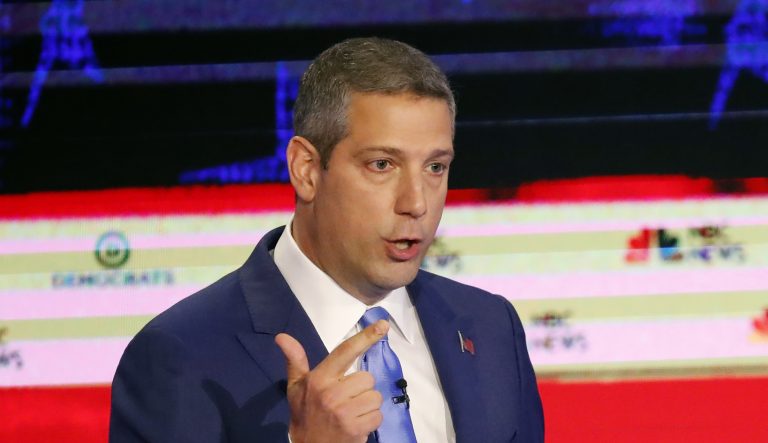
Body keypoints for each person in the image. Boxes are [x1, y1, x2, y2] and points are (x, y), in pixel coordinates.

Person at [109, 37, 544, 443]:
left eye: (435, 168)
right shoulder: (180, 356)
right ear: (306, 170)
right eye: (382, 164)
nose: (416, 203)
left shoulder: (490, 328)